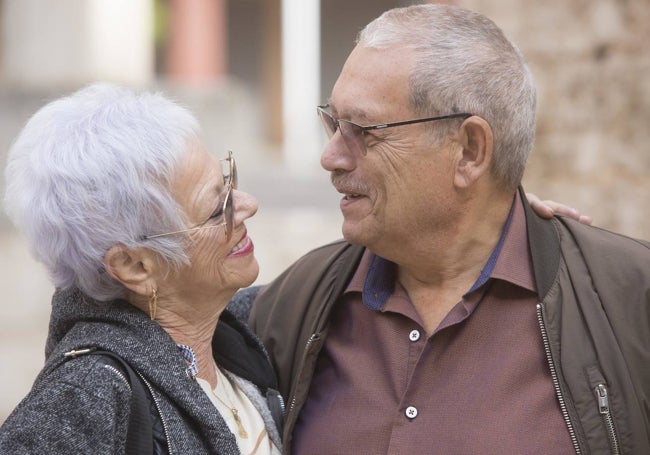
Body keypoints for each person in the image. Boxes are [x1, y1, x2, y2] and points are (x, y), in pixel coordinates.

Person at [246, 4, 650, 454]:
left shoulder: (626, 300)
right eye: (333, 123)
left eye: (362, 130)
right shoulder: (294, 304)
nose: (331, 157)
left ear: (470, 152)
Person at [0, 84, 283, 454]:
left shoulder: (240, 335)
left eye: (228, 182)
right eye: (217, 209)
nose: (248, 204)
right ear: (134, 265)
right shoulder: (82, 402)